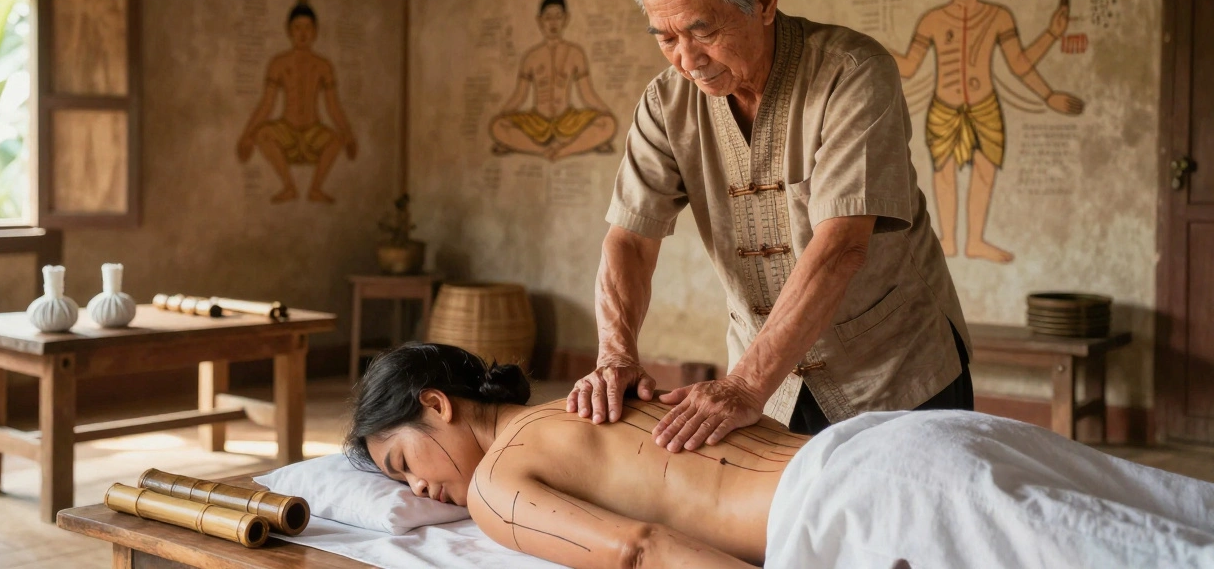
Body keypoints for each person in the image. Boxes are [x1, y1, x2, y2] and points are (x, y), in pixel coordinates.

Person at [570, 0, 972, 449]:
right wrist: (616, 357)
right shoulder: (666, 103)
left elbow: (840, 250)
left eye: (702, 30)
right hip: (769, 390)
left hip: (893, 374)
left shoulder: (852, 74)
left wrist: (741, 385)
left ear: (763, 2)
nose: (687, 59)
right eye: (665, 37)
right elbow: (629, 241)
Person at [348, 344, 1214, 569]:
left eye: (401, 465)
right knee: (1170, 521)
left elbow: (638, 552)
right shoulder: (580, 401)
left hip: (863, 501)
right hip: (909, 436)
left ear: (438, 405)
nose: (422, 489)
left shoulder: (499, 485)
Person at [886, 0, 1085, 263]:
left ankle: (975, 240)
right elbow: (911, 67)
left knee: (985, 172)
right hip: (943, 108)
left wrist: (1050, 77)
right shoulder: (932, 19)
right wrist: (876, 49)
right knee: (943, 175)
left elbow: (1019, 63)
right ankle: (947, 239)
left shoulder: (998, 15)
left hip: (985, 104)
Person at [238, 0, 357, 203]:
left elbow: (333, 106)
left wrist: (349, 135)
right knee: (262, 134)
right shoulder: (278, 63)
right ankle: (289, 186)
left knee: (336, 138)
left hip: (313, 132)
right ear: (288, 30)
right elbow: (267, 104)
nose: (302, 33)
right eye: (297, 27)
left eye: (307, 27)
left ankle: (315, 188)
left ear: (316, 31)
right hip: (287, 130)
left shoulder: (323, 65)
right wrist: (246, 135)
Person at [489, 0, 617, 161]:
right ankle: (543, 151)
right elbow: (519, 95)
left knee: (607, 124)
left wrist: (606, 113)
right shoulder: (531, 56)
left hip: (567, 119)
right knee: (498, 126)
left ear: (566, 18)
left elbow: (587, 94)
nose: (553, 22)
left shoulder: (575, 53)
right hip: (536, 121)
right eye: (548, 17)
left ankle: (562, 151)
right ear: (539, 21)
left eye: (558, 16)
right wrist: (502, 117)